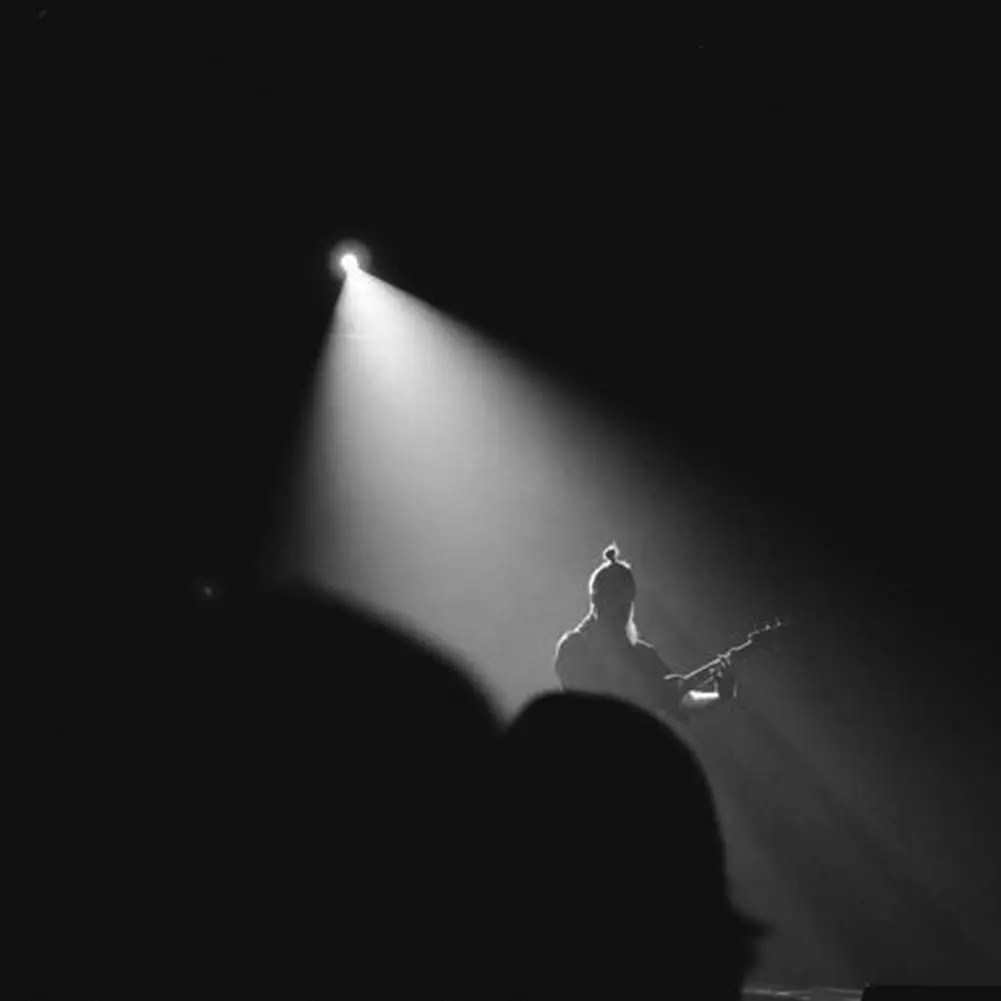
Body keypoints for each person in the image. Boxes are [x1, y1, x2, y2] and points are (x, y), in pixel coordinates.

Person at [554, 543, 737, 722]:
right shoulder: (574, 647)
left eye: (626, 605)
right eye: (616, 604)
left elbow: (682, 700)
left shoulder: (644, 655)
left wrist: (720, 696)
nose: (622, 613)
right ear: (597, 602)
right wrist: (656, 691)